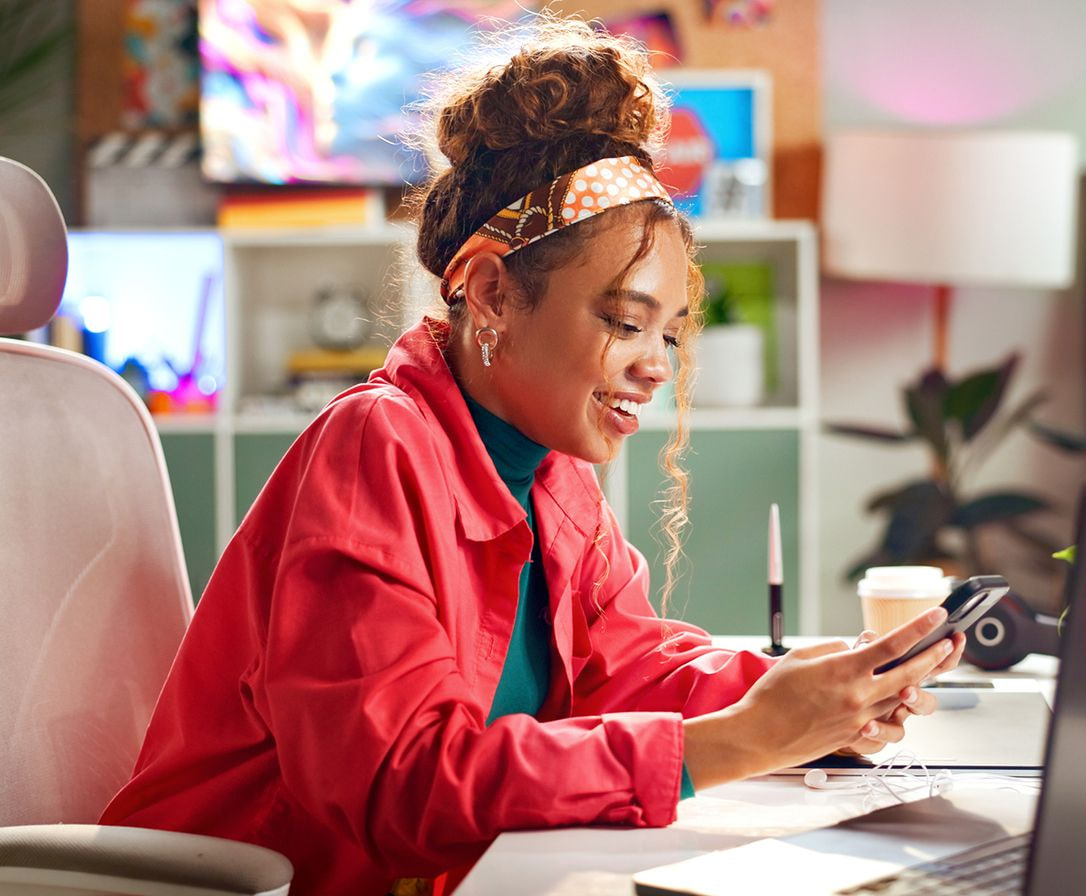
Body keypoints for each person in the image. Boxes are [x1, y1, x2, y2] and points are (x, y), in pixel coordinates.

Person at [100, 15, 964, 896]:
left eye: (669, 333)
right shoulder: (373, 447)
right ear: (490, 293)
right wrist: (741, 739)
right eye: (625, 323)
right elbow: (400, 788)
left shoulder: (554, 472)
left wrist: (804, 691)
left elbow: (624, 669)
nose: (654, 366)